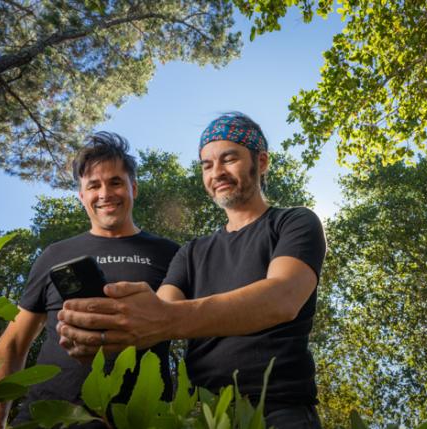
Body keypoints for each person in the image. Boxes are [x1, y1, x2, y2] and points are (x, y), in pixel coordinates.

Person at [57, 113, 327, 428]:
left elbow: (282, 297)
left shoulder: (294, 222)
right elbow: (158, 313)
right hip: (200, 415)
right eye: (207, 165)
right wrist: (104, 333)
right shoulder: (191, 252)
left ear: (262, 161)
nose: (217, 173)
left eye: (229, 159)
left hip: (279, 410)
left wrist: (162, 320)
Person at [0, 132, 179, 428]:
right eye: (93, 186)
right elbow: (12, 343)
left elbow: (198, 326)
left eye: (115, 182)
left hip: (139, 419)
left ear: (133, 188)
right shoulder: (55, 254)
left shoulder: (169, 253)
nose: (105, 194)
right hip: (48, 418)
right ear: (82, 196)